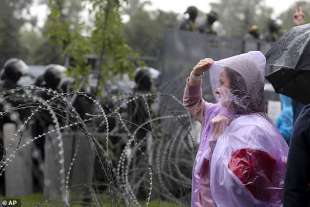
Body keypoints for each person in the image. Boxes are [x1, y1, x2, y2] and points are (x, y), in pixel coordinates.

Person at [183, 51, 288, 206]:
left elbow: (239, 185)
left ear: (238, 86)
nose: (217, 89)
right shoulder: (217, 112)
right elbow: (193, 104)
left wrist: (216, 142)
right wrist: (195, 76)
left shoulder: (254, 129)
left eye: (222, 83)